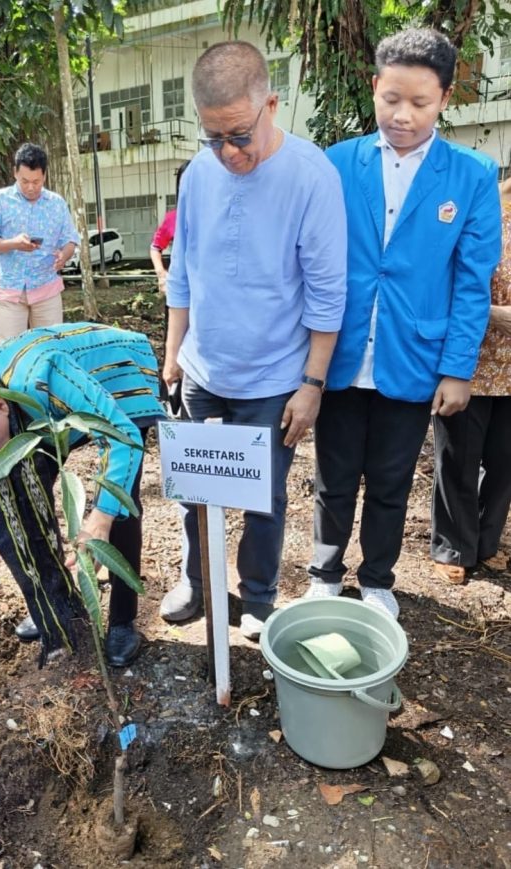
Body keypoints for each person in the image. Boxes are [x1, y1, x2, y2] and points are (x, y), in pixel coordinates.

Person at [305, 28, 501, 618]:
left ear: (444, 98)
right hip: (339, 351)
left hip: (414, 354)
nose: (403, 115)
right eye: (391, 99)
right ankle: (324, 570)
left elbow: (472, 282)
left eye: (419, 102)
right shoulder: (337, 163)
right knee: (333, 474)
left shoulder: (471, 175)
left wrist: (458, 370)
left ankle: (378, 578)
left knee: (391, 481)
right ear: (374, 88)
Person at [160, 41, 348, 640]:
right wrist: (172, 356)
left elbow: (327, 293)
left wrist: (312, 384)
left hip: (274, 380)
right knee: (192, 493)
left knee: (264, 497)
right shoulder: (199, 174)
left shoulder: (312, 176)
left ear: (272, 103)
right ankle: (197, 579)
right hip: (204, 371)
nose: (228, 152)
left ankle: (259, 595)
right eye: (213, 138)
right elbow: (184, 271)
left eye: (239, 135)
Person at [0, 323, 163, 667]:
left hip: (121, 376)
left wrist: (101, 517)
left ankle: (122, 620)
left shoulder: (46, 375)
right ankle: (57, 607)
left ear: (0, 406)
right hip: (49, 408)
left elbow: (122, 438)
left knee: (121, 502)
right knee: (30, 488)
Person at [431, 176, 511, 583]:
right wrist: (494, 316)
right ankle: (454, 546)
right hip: (469, 360)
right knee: (459, 457)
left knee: (505, 461)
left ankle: (487, 541)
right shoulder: (479, 207)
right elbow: (442, 279)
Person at [0, 143, 78, 342]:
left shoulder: (57, 204)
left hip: (46, 288)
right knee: (13, 353)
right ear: (15, 173)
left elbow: (71, 240)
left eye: (36, 181)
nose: (31, 187)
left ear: (45, 176)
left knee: (51, 350)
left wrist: (64, 255)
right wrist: (13, 243)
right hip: (8, 289)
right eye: (25, 181)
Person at [150, 161, 191, 293]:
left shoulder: (216, 215)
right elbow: (155, 247)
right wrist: (161, 275)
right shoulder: (173, 218)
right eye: (184, 183)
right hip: (180, 288)